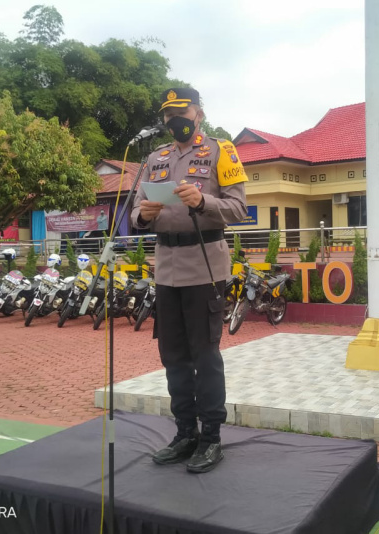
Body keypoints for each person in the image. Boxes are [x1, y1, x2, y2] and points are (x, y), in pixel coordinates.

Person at [132, 87, 248, 473]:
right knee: (173, 357)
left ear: (198, 113)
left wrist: (203, 202)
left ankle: (211, 437)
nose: (174, 120)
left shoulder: (221, 151)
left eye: (181, 112)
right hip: (166, 268)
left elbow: (239, 208)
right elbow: (134, 212)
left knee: (205, 356)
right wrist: (144, 214)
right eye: (168, 115)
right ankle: (185, 433)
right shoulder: (156, 158)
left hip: (204, 266)